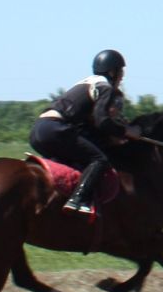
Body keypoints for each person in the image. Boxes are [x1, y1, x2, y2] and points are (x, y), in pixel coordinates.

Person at [30, 49, 139, 215]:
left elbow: (91, 122)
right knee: (99, 159)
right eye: (121, 71)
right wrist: (125, 132)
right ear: (112, 71)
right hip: (55, 129)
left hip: (39, 129)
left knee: (75, 161)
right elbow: (102, 121)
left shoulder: (86, 83)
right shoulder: (105, 87)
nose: (122, 76)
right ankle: (78, 200)